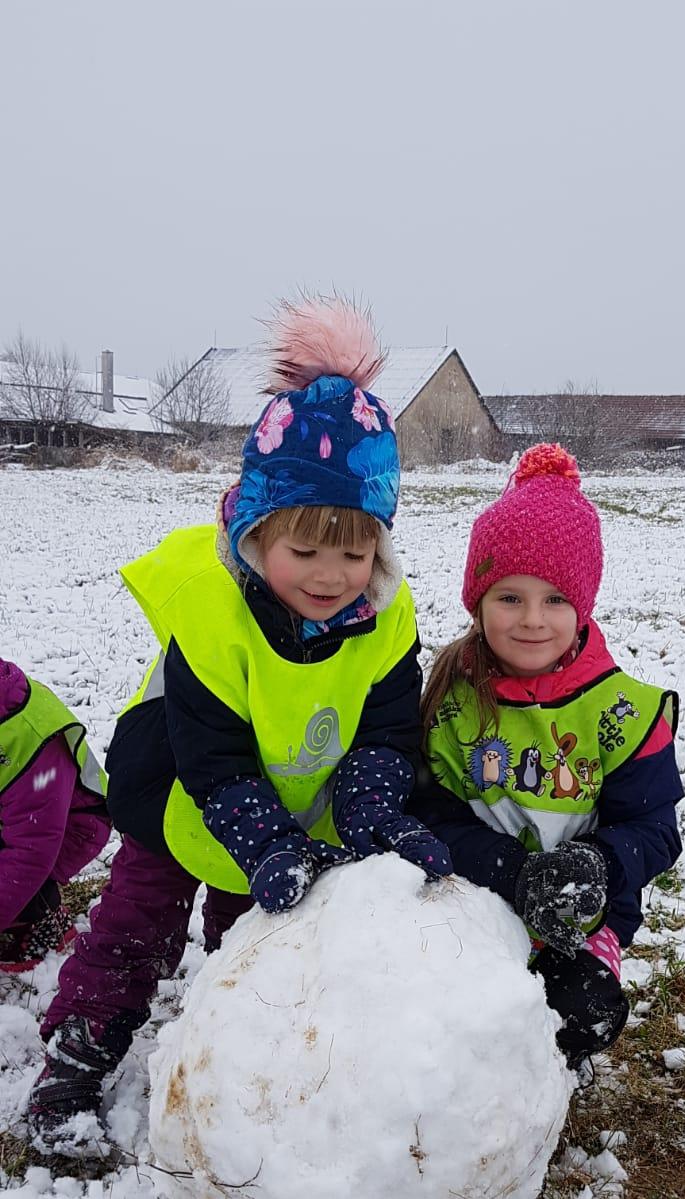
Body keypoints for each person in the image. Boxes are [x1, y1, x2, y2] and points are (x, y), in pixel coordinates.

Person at [28, 296, 450, 1132]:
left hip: (291, 797)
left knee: (258, 932)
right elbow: (213, 756)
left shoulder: (383, 617)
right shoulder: (214, 615)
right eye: (305, 550)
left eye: (354, 551)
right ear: (257, 534)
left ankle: (240, 1060)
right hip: (184, 796)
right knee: (137, 925)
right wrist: (266, 841)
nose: (330, 575)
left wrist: (369, 810)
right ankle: (78, 1057)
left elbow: (388, 729)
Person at [416, 443, 683, 1082]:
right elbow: (428, 811)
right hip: (473, 898)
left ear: (582, 604)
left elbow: (655, 830)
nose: (533, 621)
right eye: (509, 597)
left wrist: (594, 865)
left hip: (580, 917)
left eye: (556, 600)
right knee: (441, 1012)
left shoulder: (623, 712)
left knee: (579, 1012)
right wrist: (504, 869)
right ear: (477, 601)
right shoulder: (451, 703)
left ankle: (542, 1083)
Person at [0, 660, 110, 972]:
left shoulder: (25, 735)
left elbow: (30, 851)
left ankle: (41, 924)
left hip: (71, 830)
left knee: (23, 874)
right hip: (20, 819)